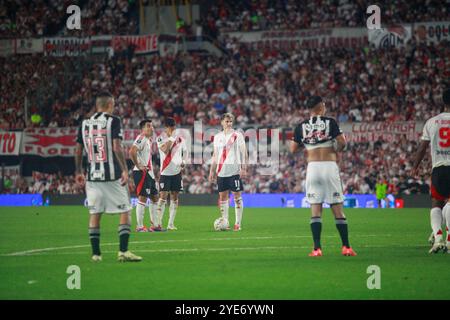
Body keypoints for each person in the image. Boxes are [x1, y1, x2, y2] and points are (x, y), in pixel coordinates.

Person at [75, 91, 142, 262]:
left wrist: (78, 171)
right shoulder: (113, 121)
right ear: (110, 104)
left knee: (95, 213)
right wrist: (125, 170)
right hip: (112, 176)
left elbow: (78, 149)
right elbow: (117, 147)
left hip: (92, 177)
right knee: (125, 210)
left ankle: (96, 254)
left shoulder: (84, 124)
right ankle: (123, 251)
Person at [290, 96, 357, 257]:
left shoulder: (301, 126)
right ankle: (346, 247)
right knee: (337, 210)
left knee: (315, 210)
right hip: (329, 166)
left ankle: (317, 249)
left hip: (313, 168)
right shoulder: (330, 122)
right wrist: (336, 148)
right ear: (322, 107)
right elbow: (342, 142)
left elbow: (293, 149)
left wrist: (307, 146)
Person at [411, 88, 450, 253]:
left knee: (436, 202)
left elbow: (421, 148)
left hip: (439, 168)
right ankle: (449, 240)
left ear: (443, 102)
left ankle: (438, 237)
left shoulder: (432, 122)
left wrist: (415, 166)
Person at [208, 113, 247, 231]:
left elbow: (244, 152)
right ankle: (226, 222)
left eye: (230, 121)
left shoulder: (237, 135)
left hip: (234, 171)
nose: (229, 123)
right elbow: (215, 156)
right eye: (227, 121)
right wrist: (211, 171)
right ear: (222, 122)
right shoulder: (217, 137)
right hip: (221, 172)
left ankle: (238, 224)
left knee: (237, 196)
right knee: (223, 197)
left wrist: (244, 168)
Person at [155, 117, 188, 230]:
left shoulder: (180, 139)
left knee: (175, 197)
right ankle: (158, 223)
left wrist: (184, 161)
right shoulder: (160, 138)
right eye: (171, 128)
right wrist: (171, 138)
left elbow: (185, 152)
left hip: (176, 172)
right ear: (166, 128)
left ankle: (170, 224)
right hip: (165, 172)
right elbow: (165, 150)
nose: (173, 129)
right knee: (163, 197)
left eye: (174, 127)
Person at [129, 119, 160, 232]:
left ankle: (155, 225)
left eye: (152, 126)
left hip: (149, 174)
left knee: (155, 197)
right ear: (142, 129)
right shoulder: (141, 138)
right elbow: (132, 151)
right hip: (142, 172)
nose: (151, 128)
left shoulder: (147, 140)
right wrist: (138, 165)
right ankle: (140, 226)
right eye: (148, 126)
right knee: (143, 197)